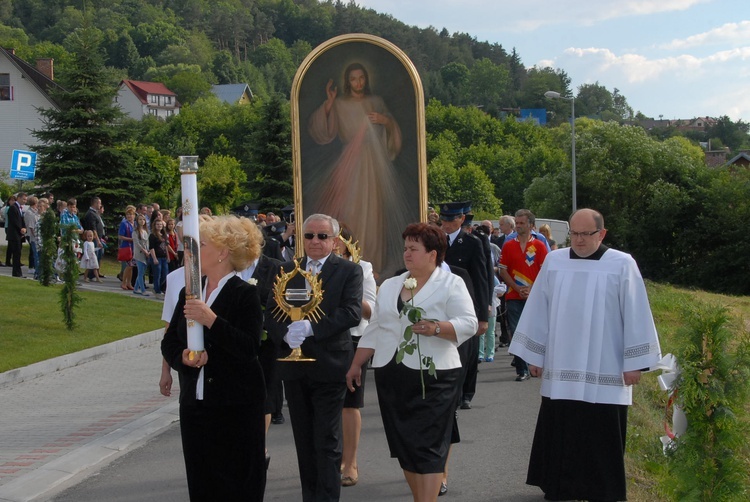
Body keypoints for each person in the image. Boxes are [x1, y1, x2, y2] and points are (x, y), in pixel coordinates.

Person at [509, 208, 662, 501]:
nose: (578, 240)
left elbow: (636, 313)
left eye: (586, 234)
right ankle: (560, 486)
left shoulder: (621, 264)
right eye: (574, 233)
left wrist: (636, 364)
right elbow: (539, 309)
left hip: (606, 366)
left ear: (601, 234)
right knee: (563, 426)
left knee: (600, 431)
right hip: (561, 365)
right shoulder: (555, 261)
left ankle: (602, 489)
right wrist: (534, 355)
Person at [346, 222, 477, 502]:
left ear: (433, 254)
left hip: (436, 374)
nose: (407, 254)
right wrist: (357, 364)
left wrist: (437, 328)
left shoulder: (452, 283)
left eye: (413, 249)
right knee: (404, 443)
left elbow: (469, 323)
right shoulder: (392, 284)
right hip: (391, 374)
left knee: (428, 444)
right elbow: (376, 326)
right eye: (405, 248)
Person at [161, 215, 267, 501]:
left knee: (236, 483)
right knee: (202, 483)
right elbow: (169, 341)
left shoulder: (245, 294)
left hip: (236, 406)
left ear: (222, 252)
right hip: (195, 406)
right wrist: (181, 357)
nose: (191, 253)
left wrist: (211, 320)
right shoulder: (189, 292)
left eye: (201, 245)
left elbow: (248, 348)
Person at [265, 213, 363, 502]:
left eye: (322, 236)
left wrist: (311, 328)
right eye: (309, 235)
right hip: (295, 368)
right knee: (304, 440)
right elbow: (271, 311)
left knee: (327, 440)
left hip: (330, 365)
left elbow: (351, 312)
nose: (315, 241)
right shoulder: (286, 269)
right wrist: (285, 334)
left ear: (334, 241)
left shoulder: (348, 271)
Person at [307, 62, 410, 280]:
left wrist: (386, 121)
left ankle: (373, 266)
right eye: (353, 79)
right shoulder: (340, 104)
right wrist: (329, 103)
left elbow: (393, 133)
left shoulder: (376, 102)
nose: (358, 83)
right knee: (351, 210)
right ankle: (349, 259)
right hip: (350, 164)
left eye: (361, 78)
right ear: (348, 81)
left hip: (374, 164)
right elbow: (322, 132)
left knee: (374, 212)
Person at [334, 225, 377, 487]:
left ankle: (350, 462)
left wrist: (345, 284)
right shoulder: (309, 267)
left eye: (335, 240)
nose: (329, 243)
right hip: (320, 339)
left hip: (353, 338)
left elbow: (371, 311)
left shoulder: (362, 268)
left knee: (349, 403)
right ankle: (330, 458)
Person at [499, 209, 548, 382]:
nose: (518, 226)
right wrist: (516, 288)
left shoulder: (540, 246)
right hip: (513, 296)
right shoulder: (508, 245)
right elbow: (503, 270)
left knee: (534, 331)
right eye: (517, 223)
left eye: (522, 223)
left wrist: (531, 288)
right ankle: (522, 370)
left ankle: (534, 364)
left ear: (531, 225)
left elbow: (545, 271)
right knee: (516, 331)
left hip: (534, 297)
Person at [6, 193, 26, 277]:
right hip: (14, 234)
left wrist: (24, 227)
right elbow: (15, 221)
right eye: (24, 199)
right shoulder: (13, 208)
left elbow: (21, 220)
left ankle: (18, 272)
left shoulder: (19, 208)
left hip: (18, 234)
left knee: (18, 254)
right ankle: (16, 273)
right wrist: (20, 229)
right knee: (16, 254)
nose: (25, 201)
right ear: (19, 198)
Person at [149, 219, 169, 297]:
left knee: (165, 274)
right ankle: (157, 290)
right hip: (157, 257)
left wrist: (167, 256)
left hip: (164, 257)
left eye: (160, 224)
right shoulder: (153, 235)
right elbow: (151, 248)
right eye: (157, 224)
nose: (159, 226)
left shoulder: (164, 235)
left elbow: (166, 246)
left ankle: (162, 288)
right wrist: (154, 258)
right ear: (155, 225)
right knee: (157, 274)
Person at [132, 214, 151, 296]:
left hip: (146, 253)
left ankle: (136, 289)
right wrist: (144, 251)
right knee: (140, 272)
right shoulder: (135, 232)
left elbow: (147, 242)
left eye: (143, 219)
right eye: (140, 219)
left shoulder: (146, 231)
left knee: (142, 272)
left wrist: (148, 251)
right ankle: (143, 290)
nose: (142, 221)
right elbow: (137, 243)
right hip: (139, 254)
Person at [118, 208, 136, 290]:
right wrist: (130, 239)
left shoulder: (135, 224)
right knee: (129, 265)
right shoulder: (124, 224)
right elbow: (120, 236)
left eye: (131, 214)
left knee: (131, 266)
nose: (129, 216)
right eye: (128, 214)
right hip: (127, 246)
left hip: (134, 247)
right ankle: (124, 282)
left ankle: (129, 282)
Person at [24, 196, 40, 272]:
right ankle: (32, 267)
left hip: (34, 234)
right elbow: (31, 226)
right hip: (30, 234)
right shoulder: (29, 213)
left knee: (33, 251)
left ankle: (33, 266)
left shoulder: (35, 211)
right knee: (33, 251)